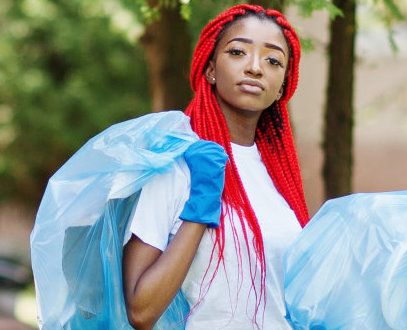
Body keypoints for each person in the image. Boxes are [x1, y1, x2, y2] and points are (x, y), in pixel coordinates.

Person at [118, 5, 311, 329]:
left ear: (281, 87)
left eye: (273, 60)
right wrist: (201, 204)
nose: (255, 68)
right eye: (238, 52)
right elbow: (141, 310)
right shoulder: (178, 164)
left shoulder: (281, 180)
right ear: (210, 69)